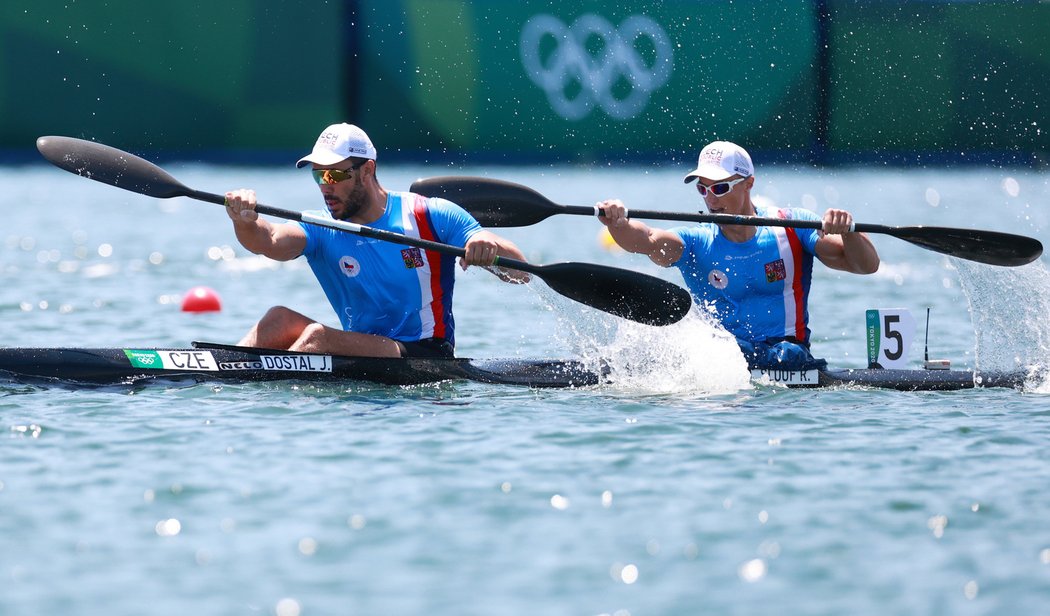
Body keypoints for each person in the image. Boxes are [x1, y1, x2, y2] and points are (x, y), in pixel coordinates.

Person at [224, 122, 528, 358]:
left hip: (422, 352)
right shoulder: (321, 226)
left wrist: (487, 247)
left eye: (334, 176)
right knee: (277, 320)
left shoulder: (428, 215)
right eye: (318, 176)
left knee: (317, 338)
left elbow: (522, 273)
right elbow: (269, 240)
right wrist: (245, 220)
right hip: (362, 349)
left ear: (366, 170)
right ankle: (222, 377)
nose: (324, 187)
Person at [596, 141, 880, 370]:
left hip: (789, 355)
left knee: (788, 355)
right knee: (732, 350)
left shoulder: (792, 228)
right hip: (725, 361)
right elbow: (645, 239)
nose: (711, 199)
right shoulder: (696, 242)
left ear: (748, 183)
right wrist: (618, 223)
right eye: (702, 188)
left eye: (720, 188)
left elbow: (865, 265)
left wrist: (848, 232)